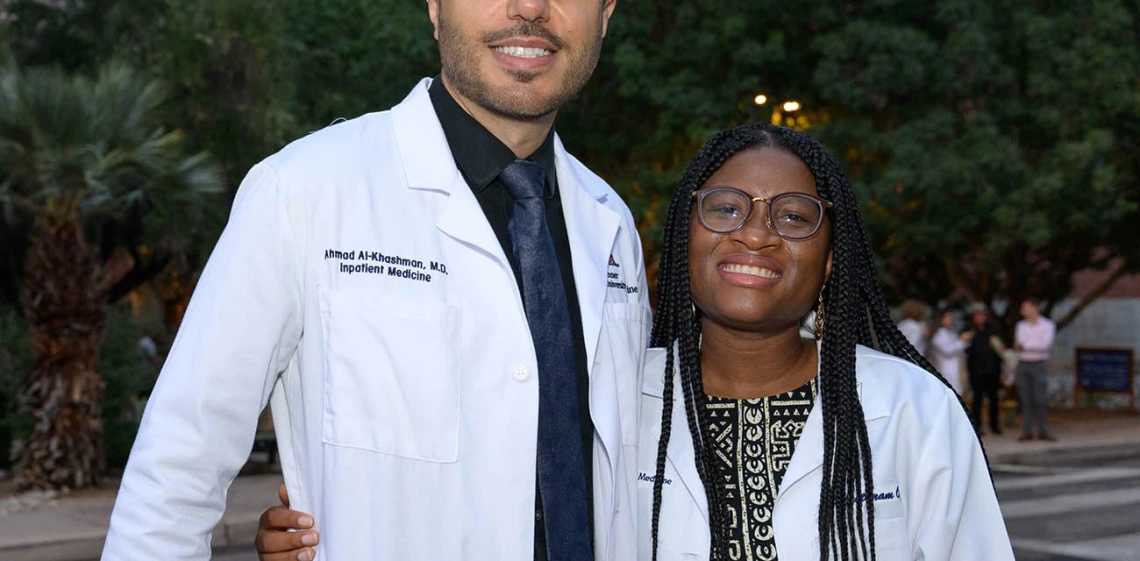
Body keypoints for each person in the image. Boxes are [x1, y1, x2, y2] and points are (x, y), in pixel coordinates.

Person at [102, 0, 650, 561]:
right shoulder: (303, 191)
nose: (529, 6)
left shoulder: (610, 226)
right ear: (433, 1)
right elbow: (175, 471)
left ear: (602, 16)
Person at [256, 124, 1013, 561]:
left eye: (792, 215)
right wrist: (320, 533)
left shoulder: (912, 412)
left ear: (831, 256)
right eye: (725, 206)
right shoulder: (607, 395)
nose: (755, 230)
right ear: (683, 237)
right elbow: (476, 512)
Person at [1014, 299, 1056, 442]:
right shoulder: (1021, 326)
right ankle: (1027, 430)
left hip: (1039, 363)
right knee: (1025, 399)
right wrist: (1031, 345)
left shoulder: (1047, 325)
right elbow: (1019, 343)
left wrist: (1026, 345)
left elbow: (1045, 345)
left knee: (1040, 399)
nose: (1023, 311)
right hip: (1023, 363)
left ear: (1034, 308)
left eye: (1025, 308)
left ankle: (1043, 430)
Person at [965, 303, 1004, 436]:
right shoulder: (969, 331)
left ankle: (994, 425)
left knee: (994, 398)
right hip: (976, 370)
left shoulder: (992, 330)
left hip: (992, 369)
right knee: (977, 399)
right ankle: (977, 426)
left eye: (982, 315)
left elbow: (999, 347)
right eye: (977, 315)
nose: (980, 318)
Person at [930, 310, 969, 396]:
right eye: (948, 317)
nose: (951, 319)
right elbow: (948, 350)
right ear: (941, 319)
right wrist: (962, 340)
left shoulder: (951, 332)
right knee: (950, 393)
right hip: (946, 368)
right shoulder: (938, 335)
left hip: (956, 367)